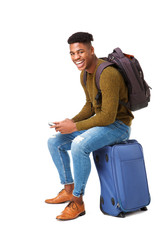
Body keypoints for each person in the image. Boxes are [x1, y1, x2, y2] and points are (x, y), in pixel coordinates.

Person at [45, 32, 134, 220]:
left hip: (118, 126)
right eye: (72, 54)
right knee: (55, 141)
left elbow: (108, 117)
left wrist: (75, 127)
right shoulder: (85, 74)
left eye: (80, 52)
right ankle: (68, 189)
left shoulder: (108, 73)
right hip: (102, 123)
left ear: (91, 50)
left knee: (79, 145)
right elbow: (90, 106)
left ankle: (77, 202)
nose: (76, 57)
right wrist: (69, 123)